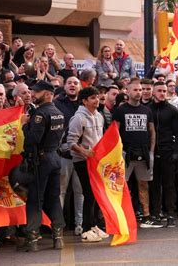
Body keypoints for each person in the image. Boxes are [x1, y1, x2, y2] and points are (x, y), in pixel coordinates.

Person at [22, 80, 65, 252]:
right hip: (55, 157)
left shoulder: (40, 115)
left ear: (48, 94)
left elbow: (33, 139)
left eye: (37, 92)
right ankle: (58, 237)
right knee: (53, 198)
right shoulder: (59, 113)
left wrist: (25, 125)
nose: (33, 94)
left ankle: (32, 239)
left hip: (41, 160)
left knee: (35, 200)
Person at [112, 78, 160, 228]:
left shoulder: (147, 110)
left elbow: (152, 132)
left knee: (143, 184)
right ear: (127, 91)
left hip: (144, 153)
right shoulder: (120, 110)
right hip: (125, 154)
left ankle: (146, 216)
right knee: (120, 186)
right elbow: (115, 132)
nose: (139, 92)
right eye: (136, 90)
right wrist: (118, 153)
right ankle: (120, 216)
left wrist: (151, 151)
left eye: (140, 90)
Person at [68, 87, 109, 242]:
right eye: (92, 98)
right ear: (84, 101)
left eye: (97, 97)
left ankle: (94, 226)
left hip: (96, 161)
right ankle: (86, 229)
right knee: (89, 193)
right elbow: (71, 142)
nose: (96, 100)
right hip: (82, 161)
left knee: (96, 194)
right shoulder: (78, 118)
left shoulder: (99, 115)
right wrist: (84, 152)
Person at [148, 82, 178, 227]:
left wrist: (176, 153)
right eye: (159, 91)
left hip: (168, 152)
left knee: (169, 185)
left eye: (164, 91)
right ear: (153, 92)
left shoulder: (172, 110)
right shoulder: (147, 109)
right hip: (151, 153)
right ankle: (155, 213)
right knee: (154, 185)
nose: (162, 93)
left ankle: (170, 214)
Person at [53, 76, 84, 236]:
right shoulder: (56, 104)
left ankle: (80, 224)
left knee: (80, 191)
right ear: (64, 86)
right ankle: (58, 225)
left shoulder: (85, 103)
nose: (72, 85)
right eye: (69, 82)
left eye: (75, 83)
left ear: (80, 87)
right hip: (63, 153)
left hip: (81, 154)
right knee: (61, 191)